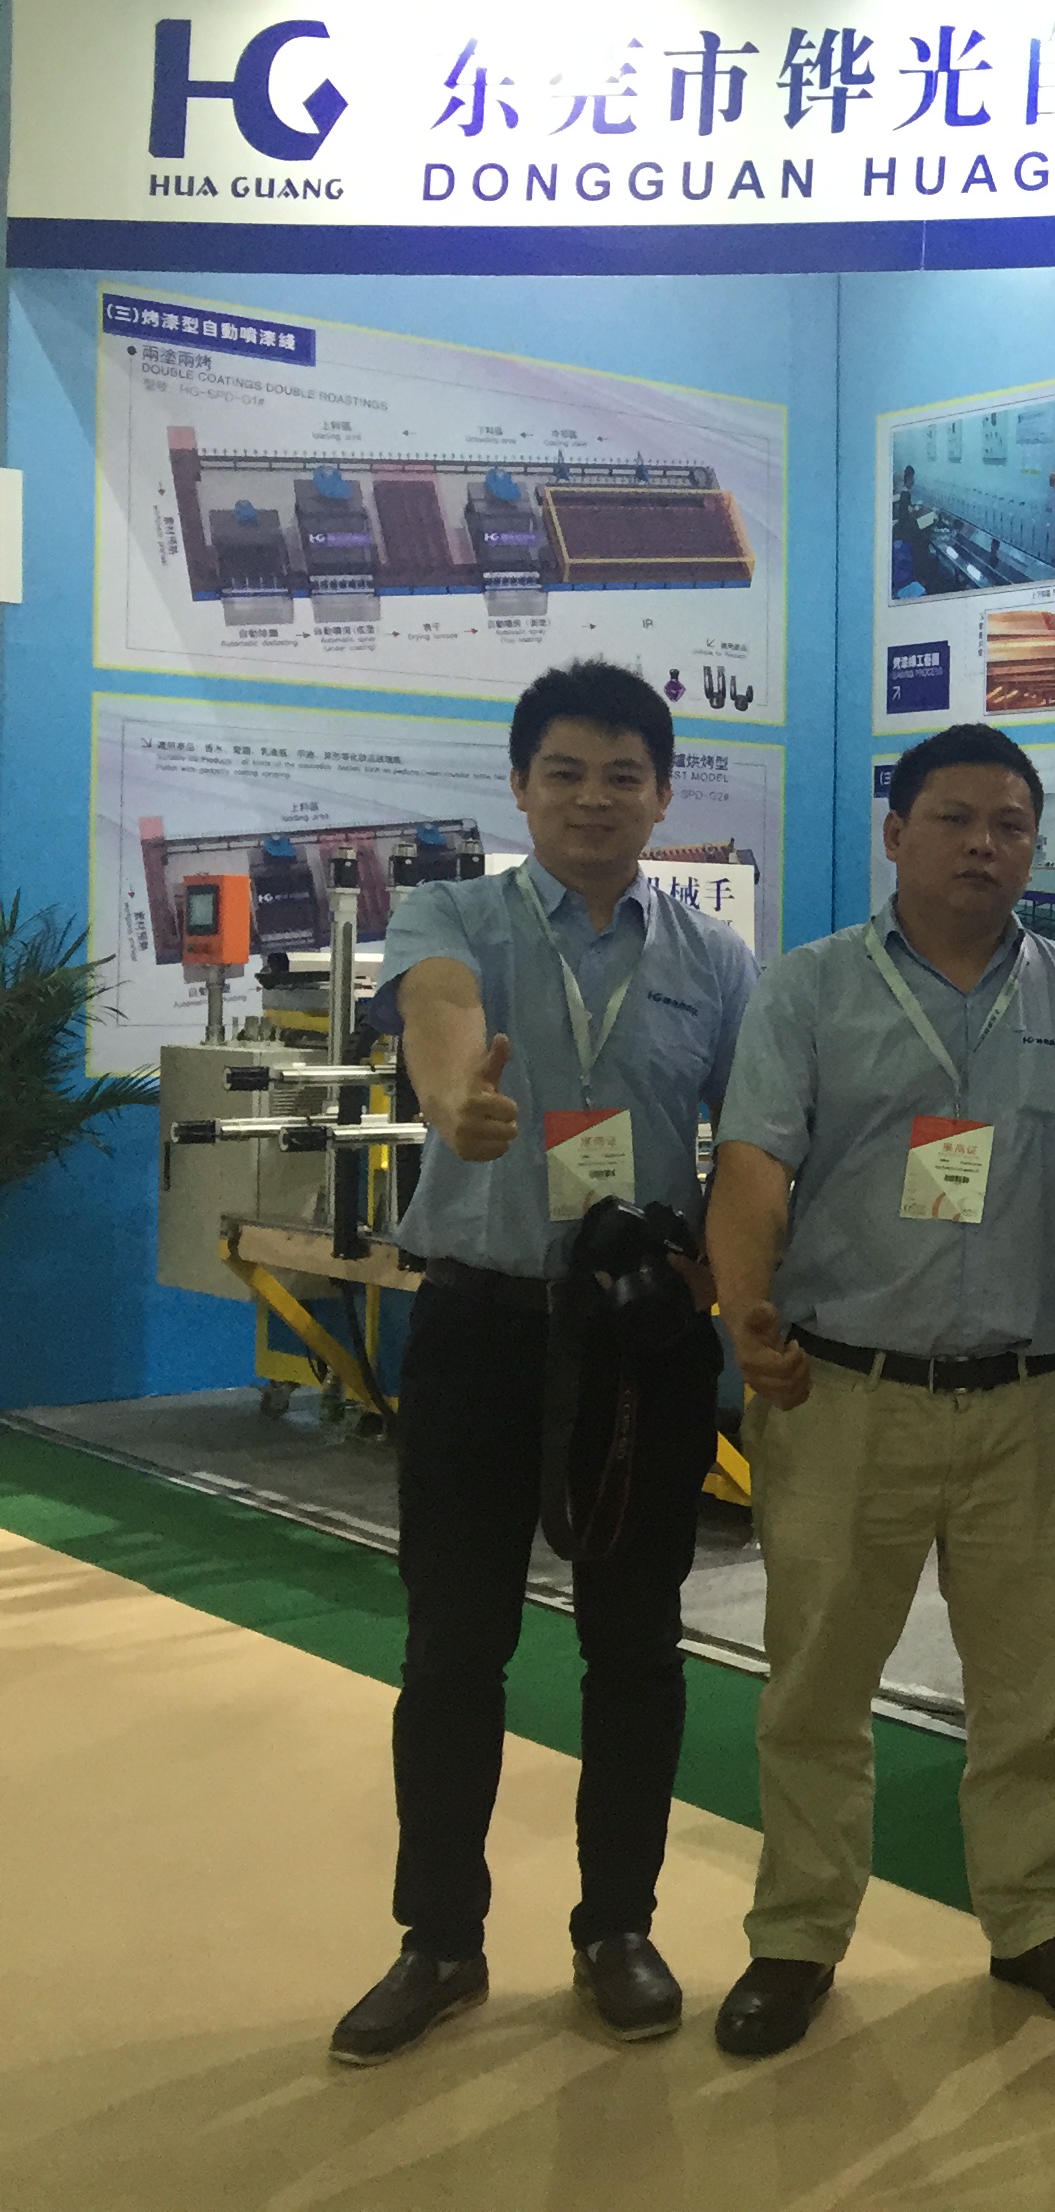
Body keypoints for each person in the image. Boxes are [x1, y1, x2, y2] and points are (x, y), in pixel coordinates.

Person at [331, 660, 756, 2067]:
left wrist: (732, 1281)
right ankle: (439, 1942)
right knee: (455, 1644)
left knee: (636, 1646)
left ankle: (617, 1928)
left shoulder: (713, 961)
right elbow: (441, 1013)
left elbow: (755, 1141)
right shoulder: (452, 915)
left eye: (623, 776)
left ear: (663, 795)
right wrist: (457, 1094)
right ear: (520, 786)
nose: (593, 800)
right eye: (564, 773)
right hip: (482, 1325)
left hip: (639, 1339)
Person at [702, 722, 1055, 2057]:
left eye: (1010, 825)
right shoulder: (809, 989)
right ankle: (797, 1934)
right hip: (846, 1392)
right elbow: (754, 1164)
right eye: (954, 819)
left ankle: (1037, 1917)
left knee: (1032, 1693)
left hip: (1030, 1401)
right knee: (816, 1689)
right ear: (896, 833)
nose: (983, 846)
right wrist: (744, 1312)